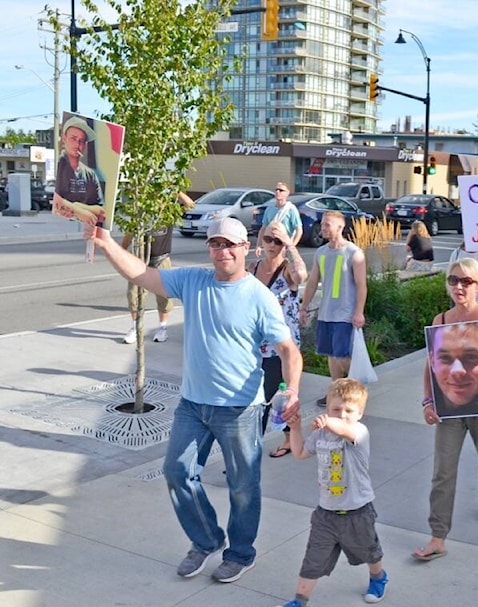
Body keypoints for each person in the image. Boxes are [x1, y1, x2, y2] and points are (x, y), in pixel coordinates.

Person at [84, 216, 303, 583]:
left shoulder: (258, 297)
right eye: (216, 244)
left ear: (245, 247)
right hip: (193, 404)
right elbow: (141, 275)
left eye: (230, 244)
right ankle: (206, 539)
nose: (223, 251)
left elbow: (288, 351)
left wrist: (291, 389)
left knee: (243, 487)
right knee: (177, 472)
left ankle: (240, 553)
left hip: (240, 408)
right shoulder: (194, 281)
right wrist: (106, 243)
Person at [416, 257, 478, 560]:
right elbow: (430, 364)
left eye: (466, 281)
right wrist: (428, 400)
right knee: (442, 472)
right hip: (448, 406)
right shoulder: (441, 320)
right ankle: (437, 536)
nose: (459, 286)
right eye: (453, 280)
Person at [272, 378, 388, 607]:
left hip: (358, 511)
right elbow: (301, 453)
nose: (342, 415)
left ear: (360, 413)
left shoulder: (359, 432)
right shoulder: (321, 434)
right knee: (313, 559)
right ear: (327, 408)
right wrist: (295, 429)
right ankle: (298, 605)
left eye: (349, 411)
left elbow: (345, 430)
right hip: (326, 513)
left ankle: (378, 577)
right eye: (336, 409)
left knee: (369, 552)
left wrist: (331, 422)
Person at [251, 221, 308, 454]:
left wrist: (290, 243)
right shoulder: (252, 269)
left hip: (282, 349)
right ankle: (288, 438)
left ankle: (250, 452)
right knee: (270, 397)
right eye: (268, 239)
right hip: (255, 346)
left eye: (277, 241)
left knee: (264, 400)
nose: (272, 245)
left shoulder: (287, 270)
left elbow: (302, 275)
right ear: (261, 241)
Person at [300, 210, 367, 407]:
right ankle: (336, 393)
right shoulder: (321, 253)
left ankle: (356, 389)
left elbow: (362, 285)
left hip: (345, 314)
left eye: (327, 225)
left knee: (341, 355)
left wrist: (359, 311)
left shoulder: (354, 253)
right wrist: (304, 307)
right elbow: (313, 281)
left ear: (340, 227)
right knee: (331, 354)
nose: (323, 228)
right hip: (326, 312)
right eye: (322, 225)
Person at [119, 210, 179, 344]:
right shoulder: (141, 212)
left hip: (161, 259)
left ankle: (163, 328)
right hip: (140, 260)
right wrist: (121, 250)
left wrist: (174, 189)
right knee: (133, 294)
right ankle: (135, 328)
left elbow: (189, 204)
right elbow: (129, 233)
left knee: (164, 295)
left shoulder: (169, 211)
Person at [427, 322, 478, 418]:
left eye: (470, 357)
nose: (457, 371)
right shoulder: (440, 319)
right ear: (433, 362)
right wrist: (428, 403)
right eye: (445, 358)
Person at [53, 116, 105, 224]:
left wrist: (77, 206)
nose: (77, 145)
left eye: (81, 141)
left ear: (85, 145)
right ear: (64, 139)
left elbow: (102, 212)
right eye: (73, 138)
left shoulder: (90, 174)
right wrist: (78, 211)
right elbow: (56, 202)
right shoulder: (58, 167)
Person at [257, 182, 302, 251]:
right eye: (276, 190)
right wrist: (259, 245)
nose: (278, 192)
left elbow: (299, 230)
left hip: (284, 246)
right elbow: (263, 228)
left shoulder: (291, 209)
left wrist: (291, 246)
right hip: (271, 245)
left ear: (287, 193)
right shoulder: (269, 209)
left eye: (281, 190)